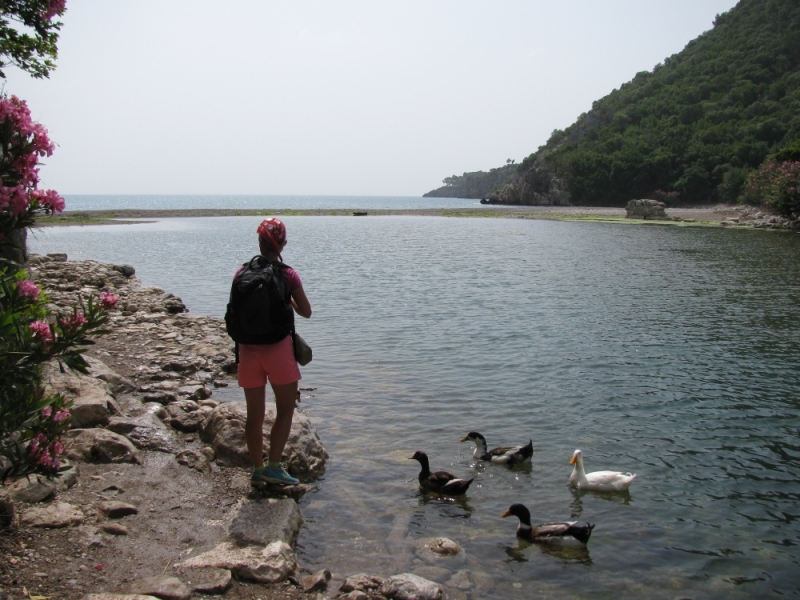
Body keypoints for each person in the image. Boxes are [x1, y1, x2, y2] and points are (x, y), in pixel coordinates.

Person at [236, 217, 312, 486]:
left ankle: (257, 470)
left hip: (247, 350)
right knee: (285, 410)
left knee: (254, 415)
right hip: (278, 350)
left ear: (259, 242)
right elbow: (306, 312)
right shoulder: (288, 274)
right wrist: (287, 299)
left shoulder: (241, 272)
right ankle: (275, 466)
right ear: (283, 244)